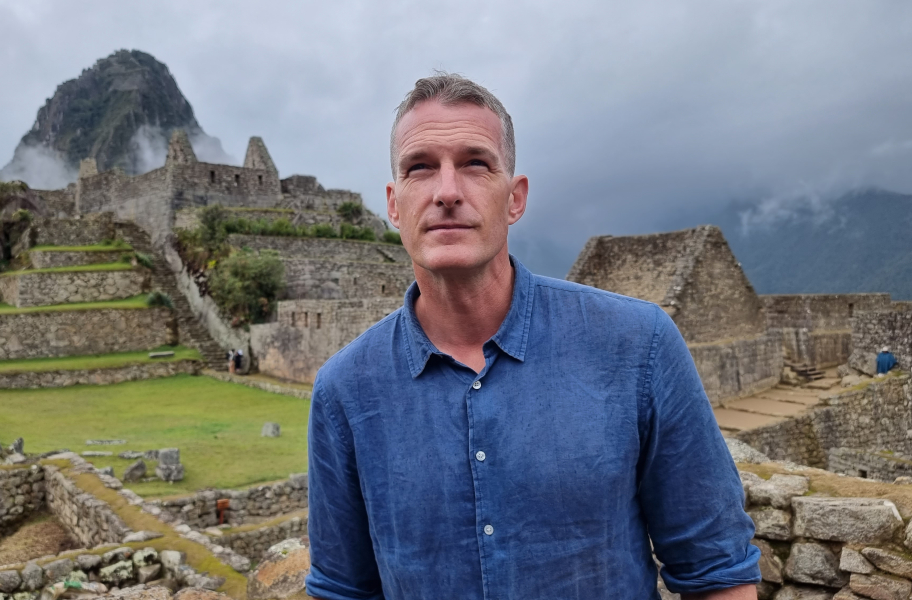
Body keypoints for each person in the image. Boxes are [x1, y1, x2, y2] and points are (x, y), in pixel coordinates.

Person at [305, 73, 760, 600]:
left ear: (515, 199)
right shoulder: (345, 391)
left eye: (476, 164)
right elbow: (343, 589)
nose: (447, 192)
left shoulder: (638, 346)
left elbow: (718, 569)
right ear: (394, 204)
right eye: (420, 168)